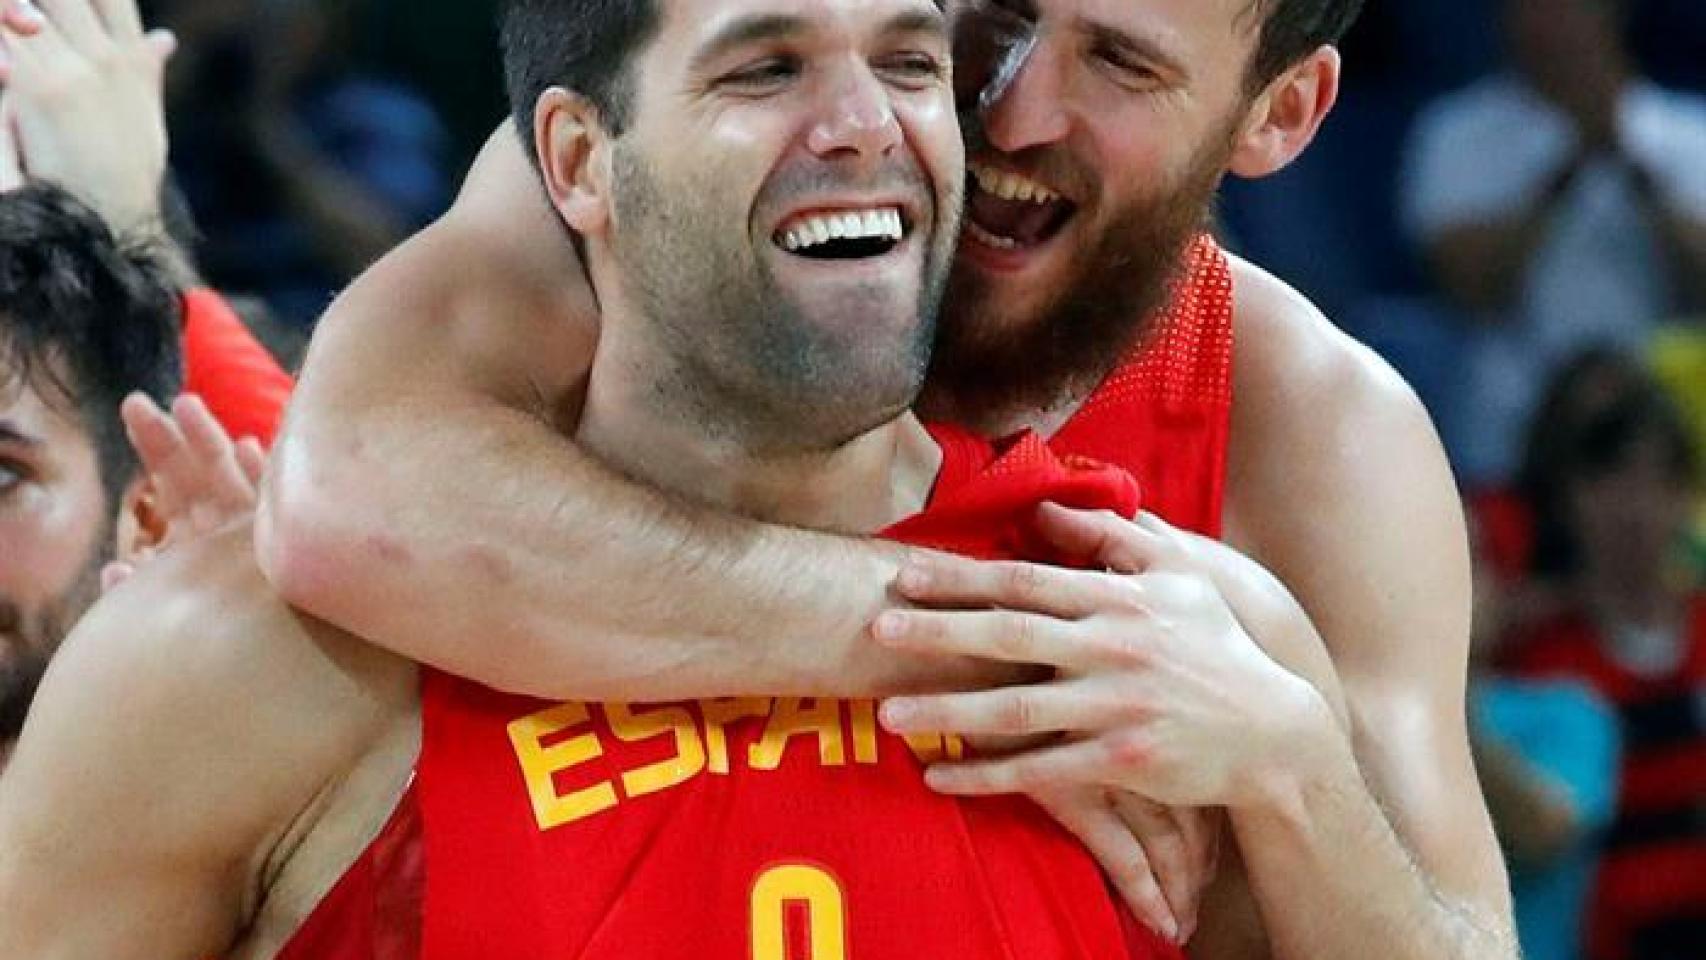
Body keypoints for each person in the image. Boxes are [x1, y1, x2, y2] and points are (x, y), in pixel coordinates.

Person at [0, 1, 1350, 956]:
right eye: (762, 67)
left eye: (909, 59)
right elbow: (350, 489)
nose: (861, 121)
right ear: (579, 165)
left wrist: (1300, 777)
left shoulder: (1181, 649)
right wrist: (968, 649)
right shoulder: (234, 661)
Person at [1399, 0, 1706, 484]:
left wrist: (1636, 172)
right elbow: (1469, 284)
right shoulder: (1458, 131)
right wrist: (1565, 174)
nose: (1543, 19)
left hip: (1662, 428)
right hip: (1511, 425)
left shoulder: (1689, 133)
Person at [1504, 369, 1706, 960]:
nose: (1636, 507)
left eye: (1658, 479)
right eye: (1610, 477)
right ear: (1567, 498)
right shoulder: (1539, 659)